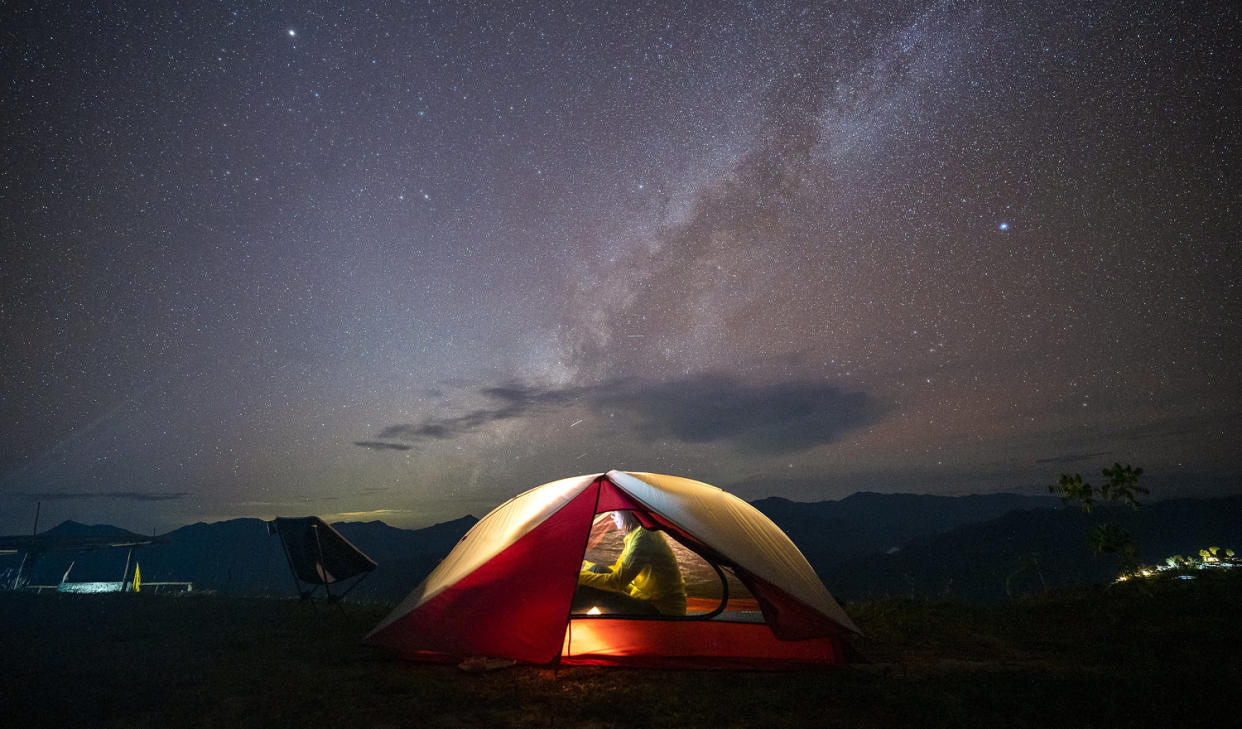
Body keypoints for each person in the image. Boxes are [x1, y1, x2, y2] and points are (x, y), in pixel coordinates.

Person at [574, 510, 686, 616]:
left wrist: (577, 577)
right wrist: (585, 566)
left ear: (628, 513)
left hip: (662, 611)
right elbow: (618, 570)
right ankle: (566, 612)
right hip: (645, 598)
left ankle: (563, 616)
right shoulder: (638, 533)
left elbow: (617, 582)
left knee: (597, 591)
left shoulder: (644, 538)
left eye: (615, 511)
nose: (612, 515)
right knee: (598, 570)